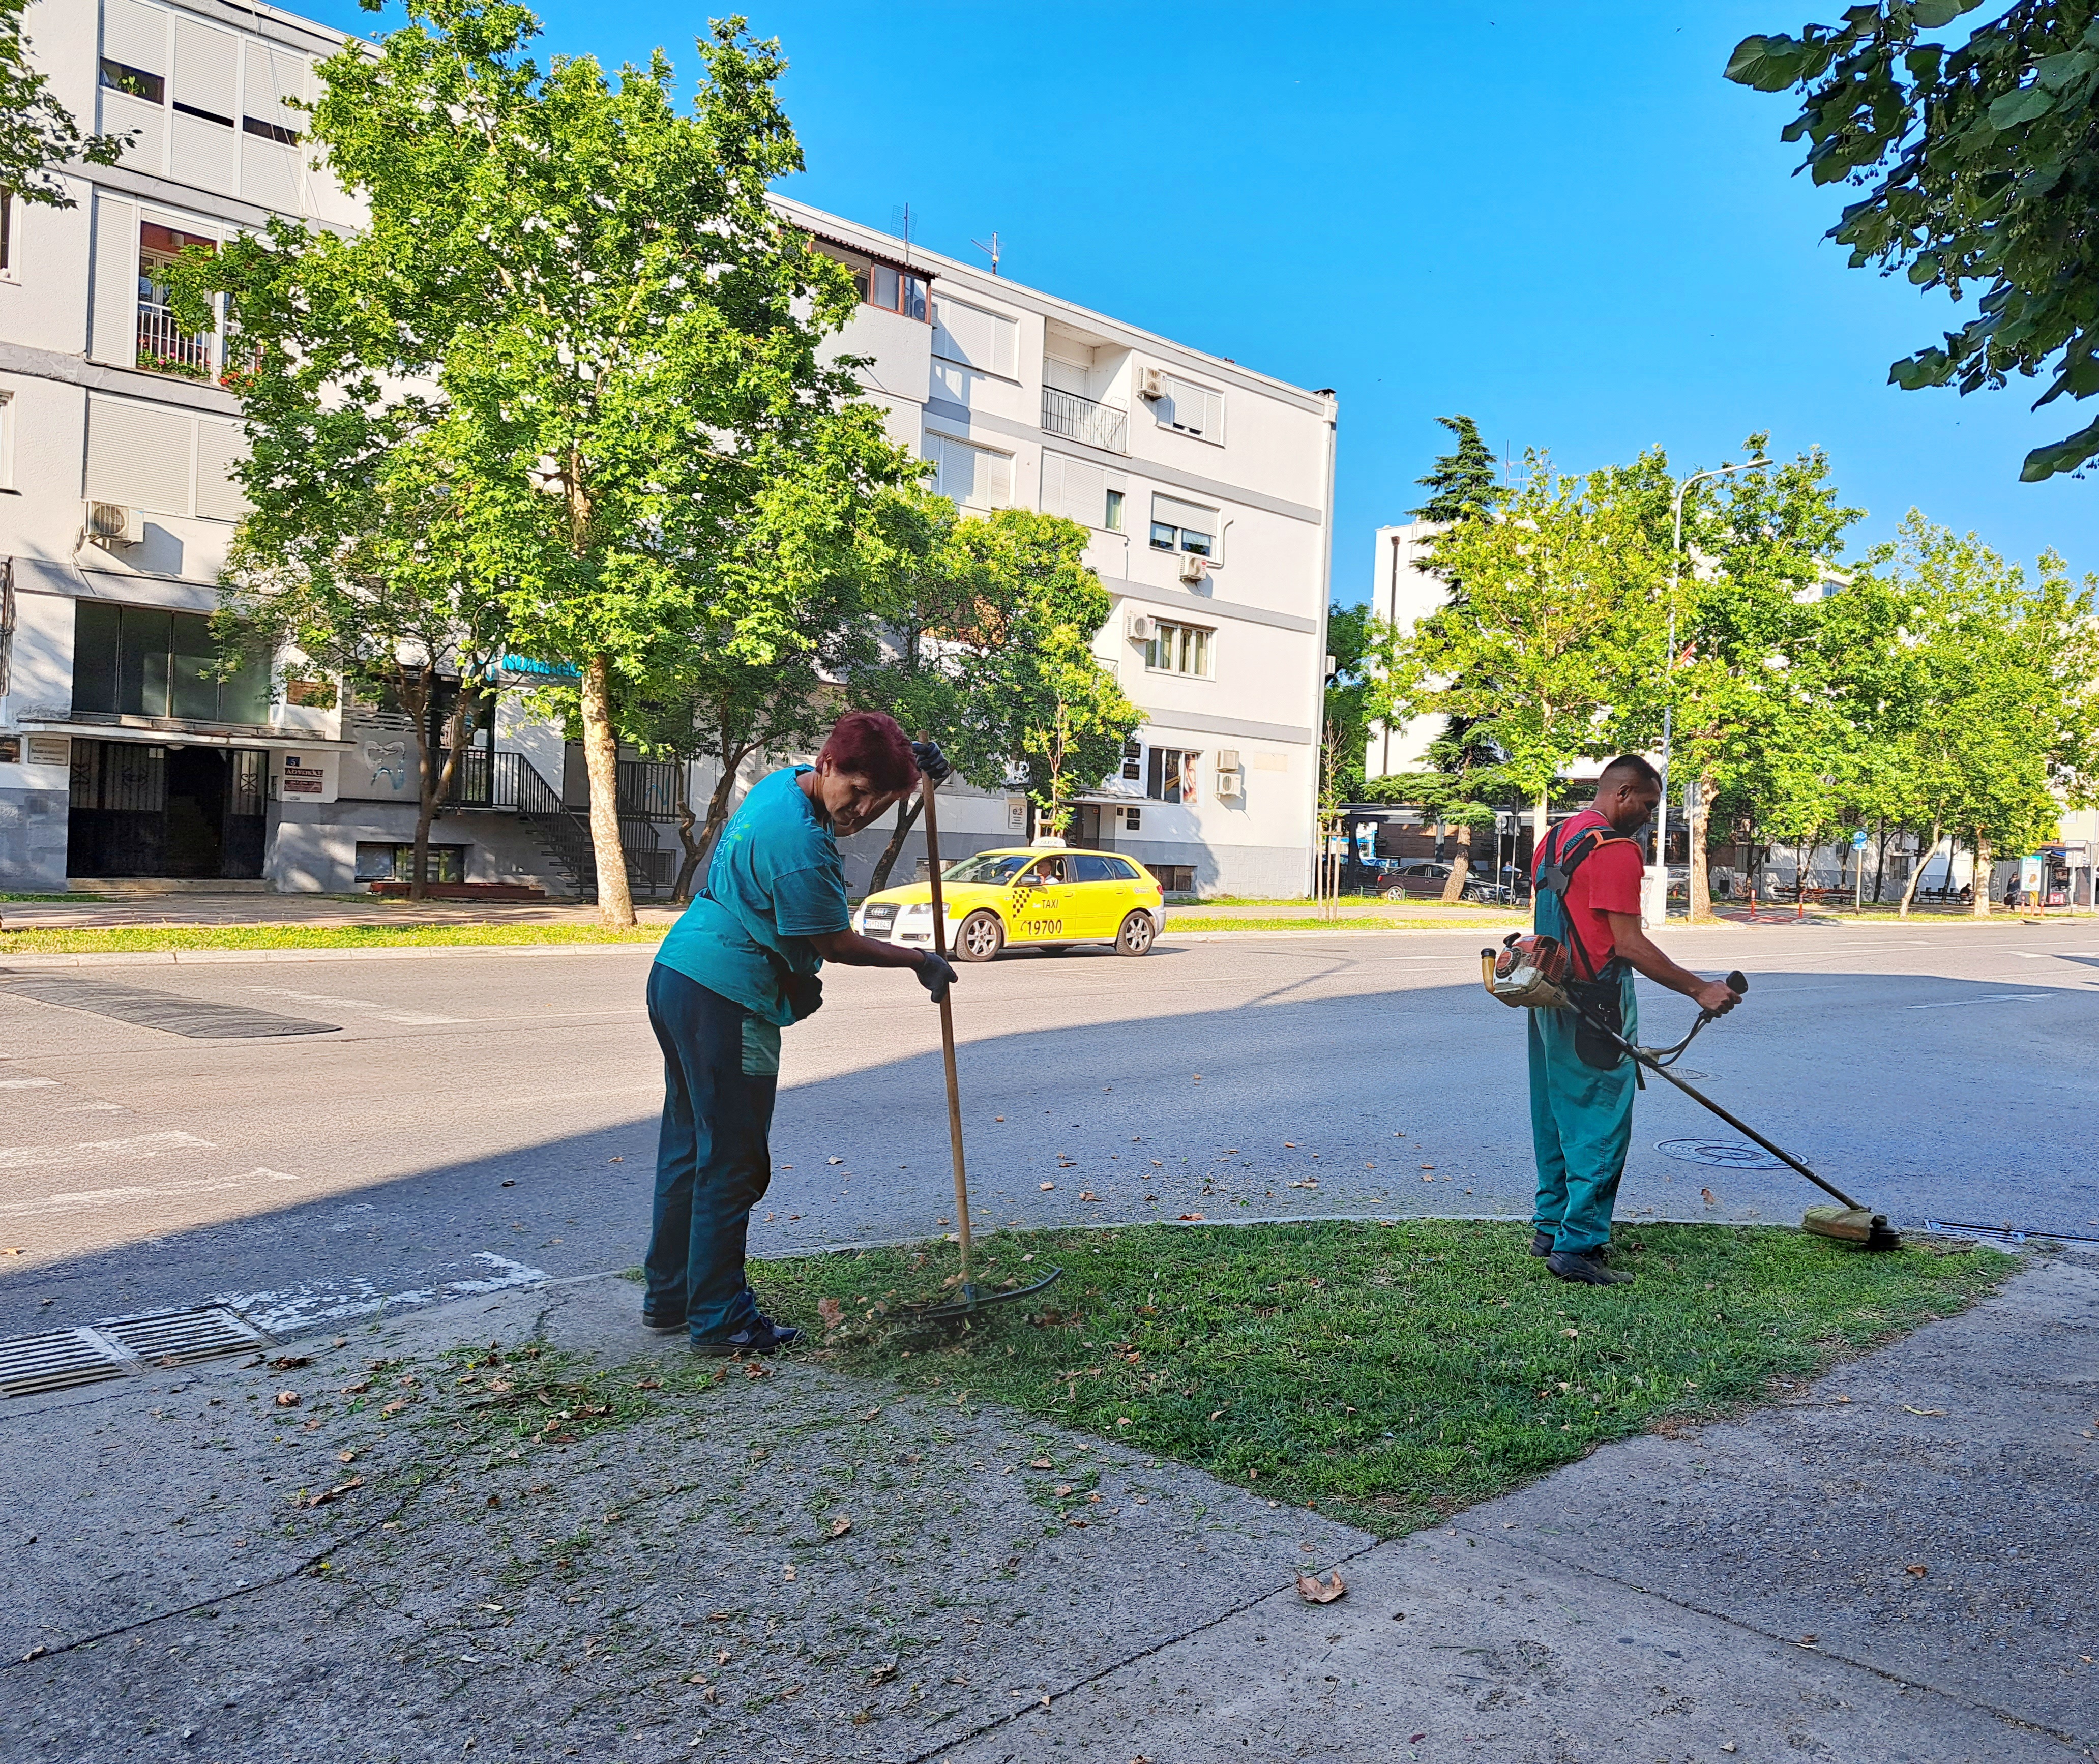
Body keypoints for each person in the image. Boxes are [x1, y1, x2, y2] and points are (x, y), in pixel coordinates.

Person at [642, 711, 958, 1353]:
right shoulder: (801, 853)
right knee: (732, 1162)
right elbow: (835, 944)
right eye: (856, 791)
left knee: (690, 1147)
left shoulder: (782, 785)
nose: (862, 810)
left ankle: (670, 1297)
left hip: (678, 975)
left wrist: (909, 758)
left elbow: (865, 739)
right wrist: (920, 960)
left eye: (881, 799)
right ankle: (720, 1319)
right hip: (725, 997)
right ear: (827, 765)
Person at [1527, 755, 1741, 1286]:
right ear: (1621, 792)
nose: (1648, 816)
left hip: (1546, 994)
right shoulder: (1615, 851)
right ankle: (1577, 1247)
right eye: (1646, 804)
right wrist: (1700, 988)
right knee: (1600, 1124)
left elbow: (1561, 906)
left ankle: (1549, 1227)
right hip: (1594, 1004)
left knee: (1556, 1117)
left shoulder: (1556, 839)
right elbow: (1627, 944)